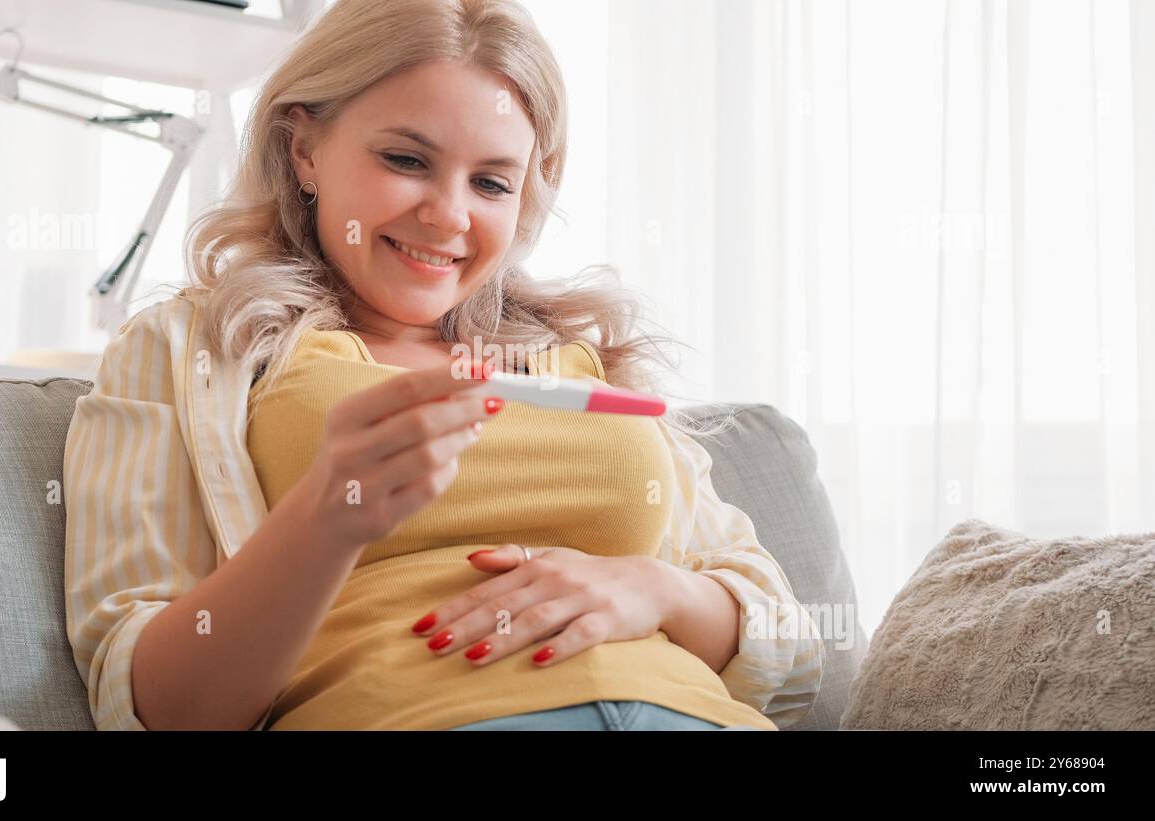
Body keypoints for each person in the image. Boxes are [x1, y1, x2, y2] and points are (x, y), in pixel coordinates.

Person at [63, 0, 823, 731]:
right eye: (406, 159)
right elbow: (158, 708)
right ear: (304, 149)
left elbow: (789, 646)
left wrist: (657, 588)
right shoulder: (193, 346)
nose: (450, 215)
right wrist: (328, 514)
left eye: (491, 181)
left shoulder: (581, 364)